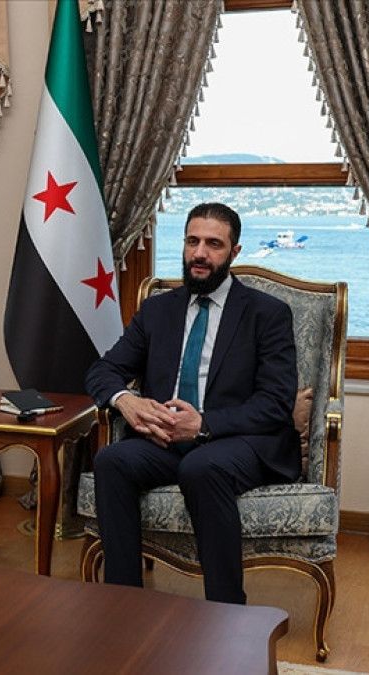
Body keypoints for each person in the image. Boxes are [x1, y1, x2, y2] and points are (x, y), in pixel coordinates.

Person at [84, 202, 300, 604]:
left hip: (237, 441)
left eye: (213, 244)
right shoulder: (157, 310)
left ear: (234, 252)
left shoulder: (267, 314)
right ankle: (124, 606)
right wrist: (125, 400)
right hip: (167, 441)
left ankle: (226, 613)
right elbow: (103, 370)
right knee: (112, 460)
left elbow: (275, 403)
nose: (200, 253)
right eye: (192, 241)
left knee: (203, 467)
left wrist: (202, 424)